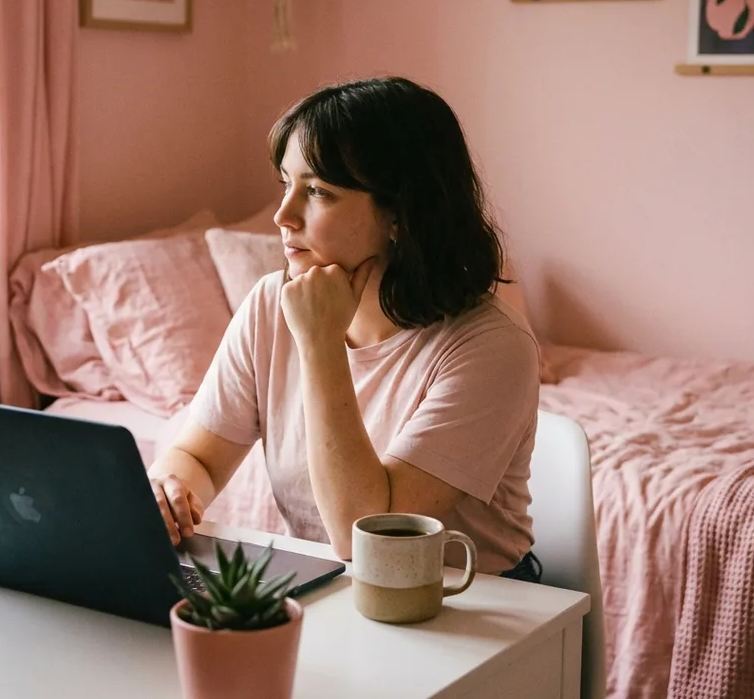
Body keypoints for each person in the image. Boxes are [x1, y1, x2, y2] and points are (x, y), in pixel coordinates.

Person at [146, 76, 542, 581]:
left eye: (317, 191)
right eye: (285, 183)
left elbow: (366, 534)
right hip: (330, 587)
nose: (282, 215)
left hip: (473, 604)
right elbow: (197, 457)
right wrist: (171, 491)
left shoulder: (492, 344)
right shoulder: (271, 303)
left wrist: (319, 343)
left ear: (399, 214)